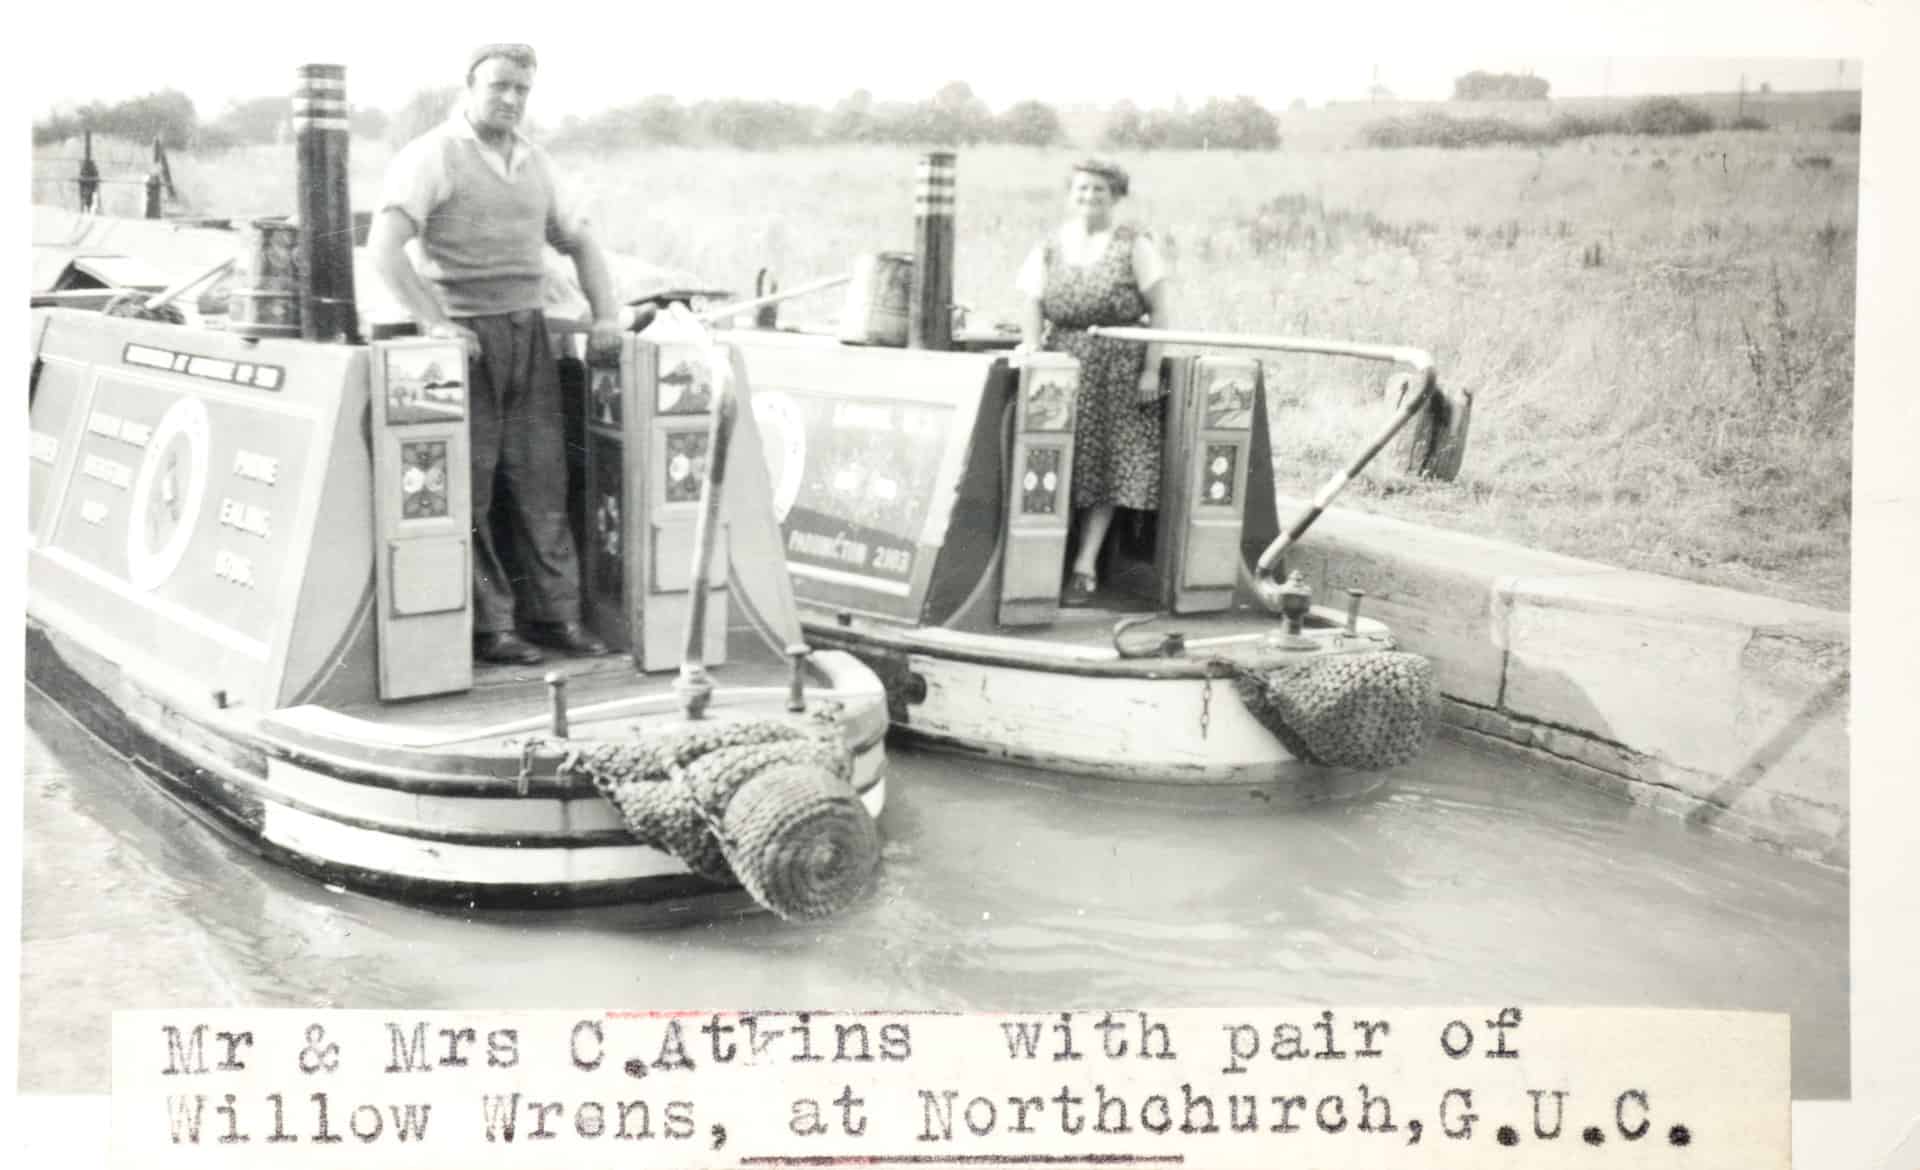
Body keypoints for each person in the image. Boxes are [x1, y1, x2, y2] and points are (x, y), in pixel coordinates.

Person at [370, 43, 620, 665]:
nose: (510, 99)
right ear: (470, 87)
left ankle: (556, 617)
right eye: (499, 86)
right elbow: (384, 246)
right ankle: (491, 628)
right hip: (465, 345)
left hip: (529, 334)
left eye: (522, 90)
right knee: (470, 488)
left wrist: (608, 315)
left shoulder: (538, 163)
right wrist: (435, 324)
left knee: (542, 480)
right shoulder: (432, 156)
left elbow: (583, 243)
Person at [1015, 159, 1171, 606]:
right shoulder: (1049, 245)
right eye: (1082, 189)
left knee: (1106, 465)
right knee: (1056, 461)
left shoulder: (1133, 244)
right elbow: (1033, 301)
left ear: (1116, 196)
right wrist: (1032, 346)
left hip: (1118, 366)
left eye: (1100, 191)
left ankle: (1084, 564)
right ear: (1071, 194)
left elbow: (1159, 310)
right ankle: (1043, 562)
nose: (1089, 198)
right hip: (1063, 365)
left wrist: (1149, 370)